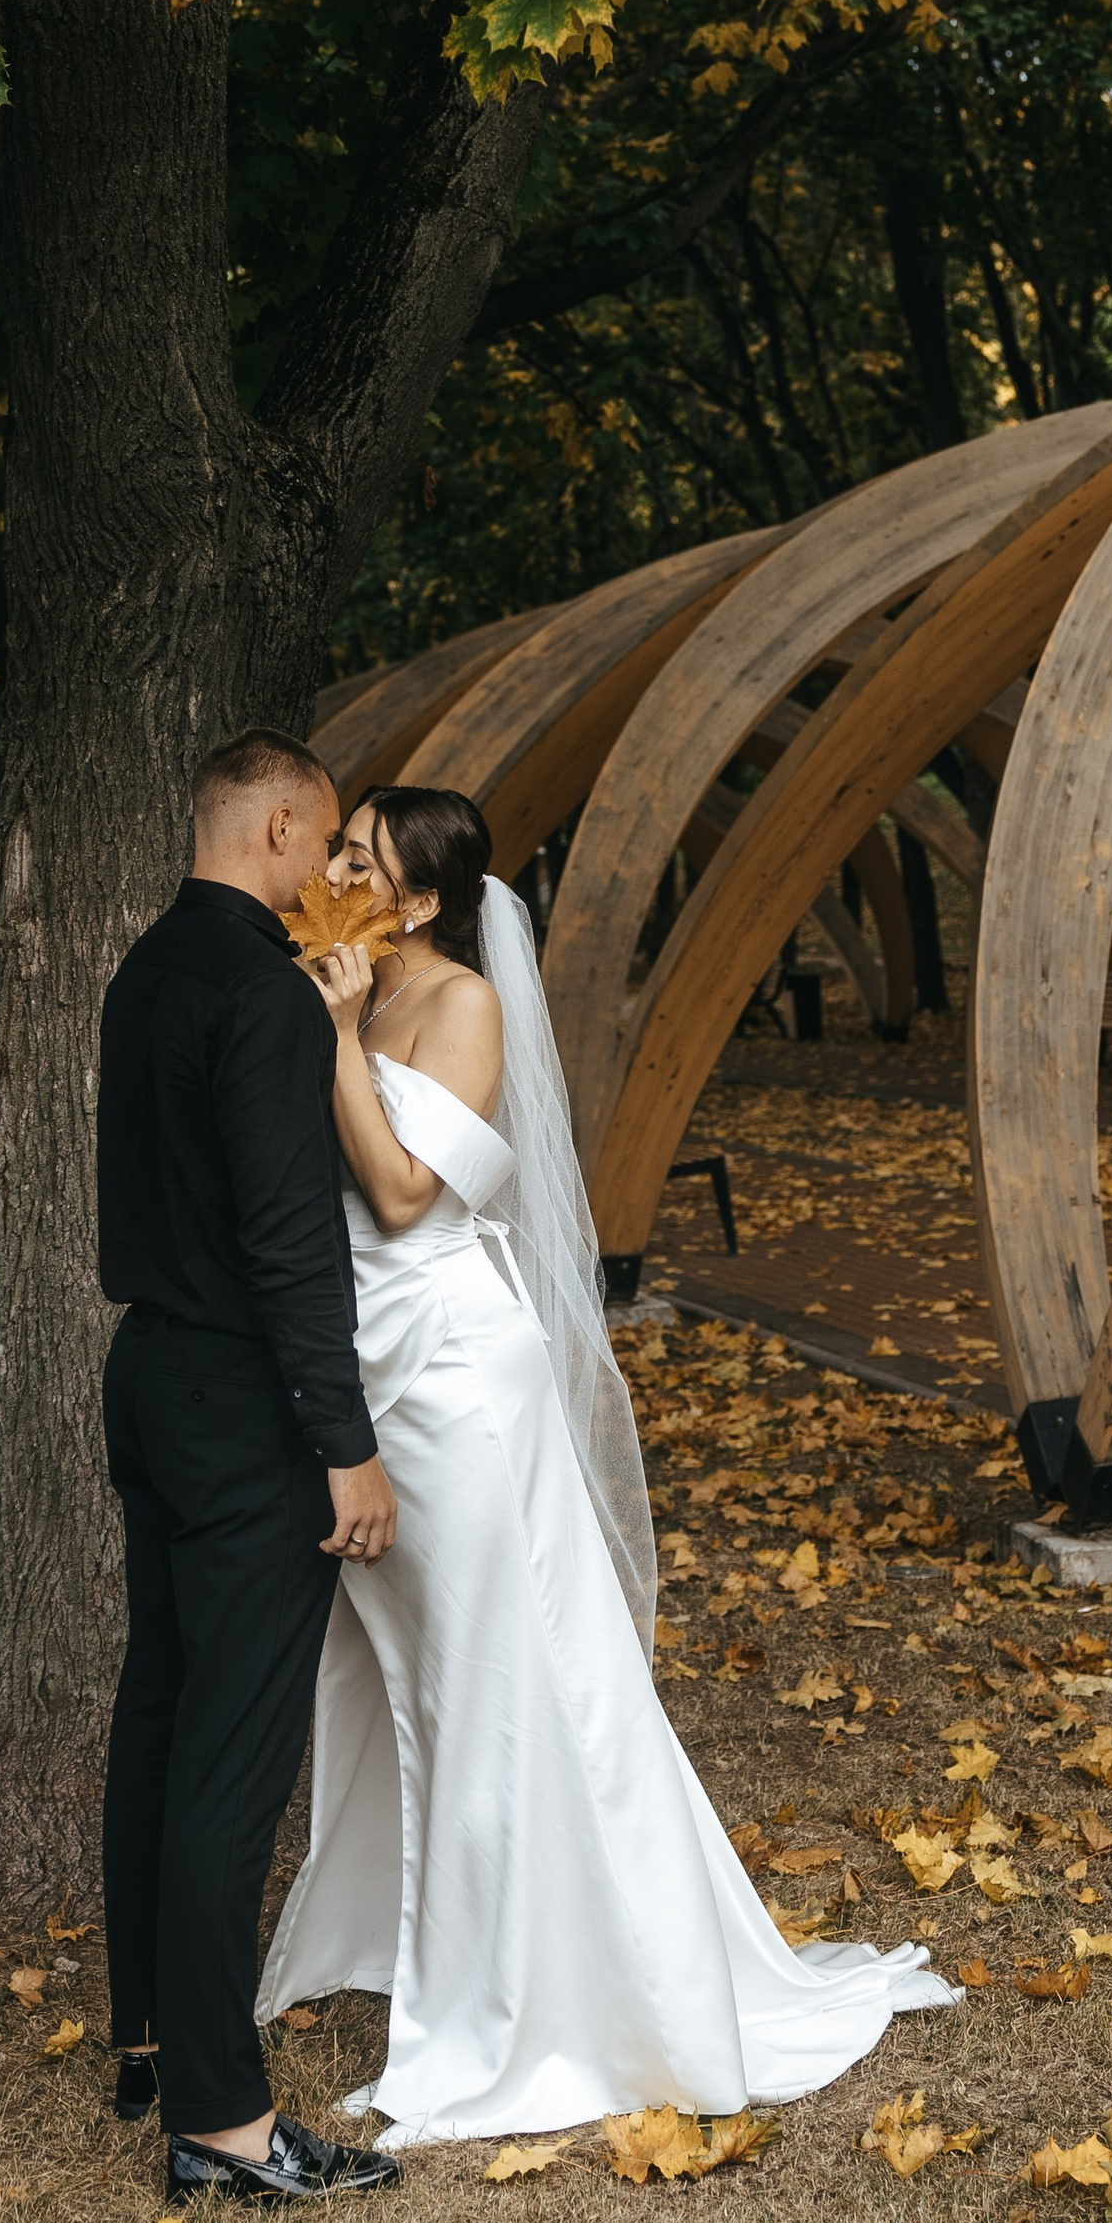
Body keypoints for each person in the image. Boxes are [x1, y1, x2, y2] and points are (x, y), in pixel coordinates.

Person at [259, 780, 955, 2144]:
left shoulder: (458, 1004)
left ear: (415, 901)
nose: (329, 869)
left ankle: (537, 1989)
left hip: (454, 1372)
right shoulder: (329, 988)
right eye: (334, 849)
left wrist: (338, 1033)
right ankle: (431, 1941)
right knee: (404, 1671)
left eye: (358, 860)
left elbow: (407, 1194)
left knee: (501, 1672)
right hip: (364, 1361)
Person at [96, 726, 408, 2212]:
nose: (327, 874)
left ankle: (150, 2036)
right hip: (239, 1401)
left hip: (146, 1376)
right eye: (325, 839)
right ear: (281, 825)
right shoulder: (264, 997)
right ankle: (222, 2123)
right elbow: (294, 1243)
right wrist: (344, 1446)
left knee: (159, 1710)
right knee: (230, 1751)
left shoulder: (148, 970)